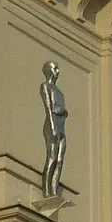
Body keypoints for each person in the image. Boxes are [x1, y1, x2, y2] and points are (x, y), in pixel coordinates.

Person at [40, 61, 67, 200]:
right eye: (55, 68)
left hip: (61, 127)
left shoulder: (60, 93)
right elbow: (49, 107)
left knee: (59, 159)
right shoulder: (46, 86)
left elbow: (61, 110)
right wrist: (52, 125)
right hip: (52, 126)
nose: (58, 71)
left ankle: (54, 190)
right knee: (51, 158)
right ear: (49, 71)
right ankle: (46, 190)